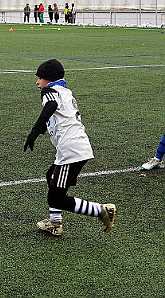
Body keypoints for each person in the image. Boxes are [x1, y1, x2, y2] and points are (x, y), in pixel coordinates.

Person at [24, 58, 117, 236]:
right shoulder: (64, 91)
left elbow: (51, 105)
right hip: (76, 147)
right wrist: (40, 130)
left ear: (48, 79)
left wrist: (35, 130)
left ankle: (102, 211)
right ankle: (55, 223)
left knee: (56, 198)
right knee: (51, 176)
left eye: (39, 78)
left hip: (71, 151)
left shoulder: (49, 91)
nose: (37, 82)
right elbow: (57, 114)